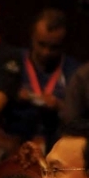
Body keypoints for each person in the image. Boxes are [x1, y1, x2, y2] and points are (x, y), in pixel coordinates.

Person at [7, 8, 79, 147]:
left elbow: (79, 116)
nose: (46, 52)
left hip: (56, 141)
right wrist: (11, 94)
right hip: (13, 139)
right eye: (41, 44)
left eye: (54, 47)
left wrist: (59, 106)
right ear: (32, 36)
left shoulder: (75, 71)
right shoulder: (12, 61)